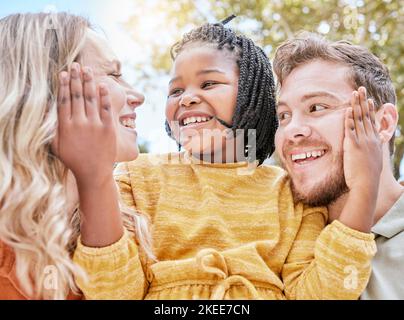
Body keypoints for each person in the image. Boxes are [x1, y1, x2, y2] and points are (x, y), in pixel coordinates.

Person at [70, 18, 380, 300]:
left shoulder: (290, 194)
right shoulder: (136, 178)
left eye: (208, 84)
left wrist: (364, 187)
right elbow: (113, 290)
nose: (187, 98)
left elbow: (322, 294)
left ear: (252, 94)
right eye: (175, 90)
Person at [0, 12, 145, 299]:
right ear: (48, 92)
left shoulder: (131, 223)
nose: (137, 96)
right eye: (114, 75)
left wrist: (96, 179)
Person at [273, 32, 404, 299]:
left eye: (317, 107)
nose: (292, 130)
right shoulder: (272, 241)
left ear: (383, 123)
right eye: (283, 115)